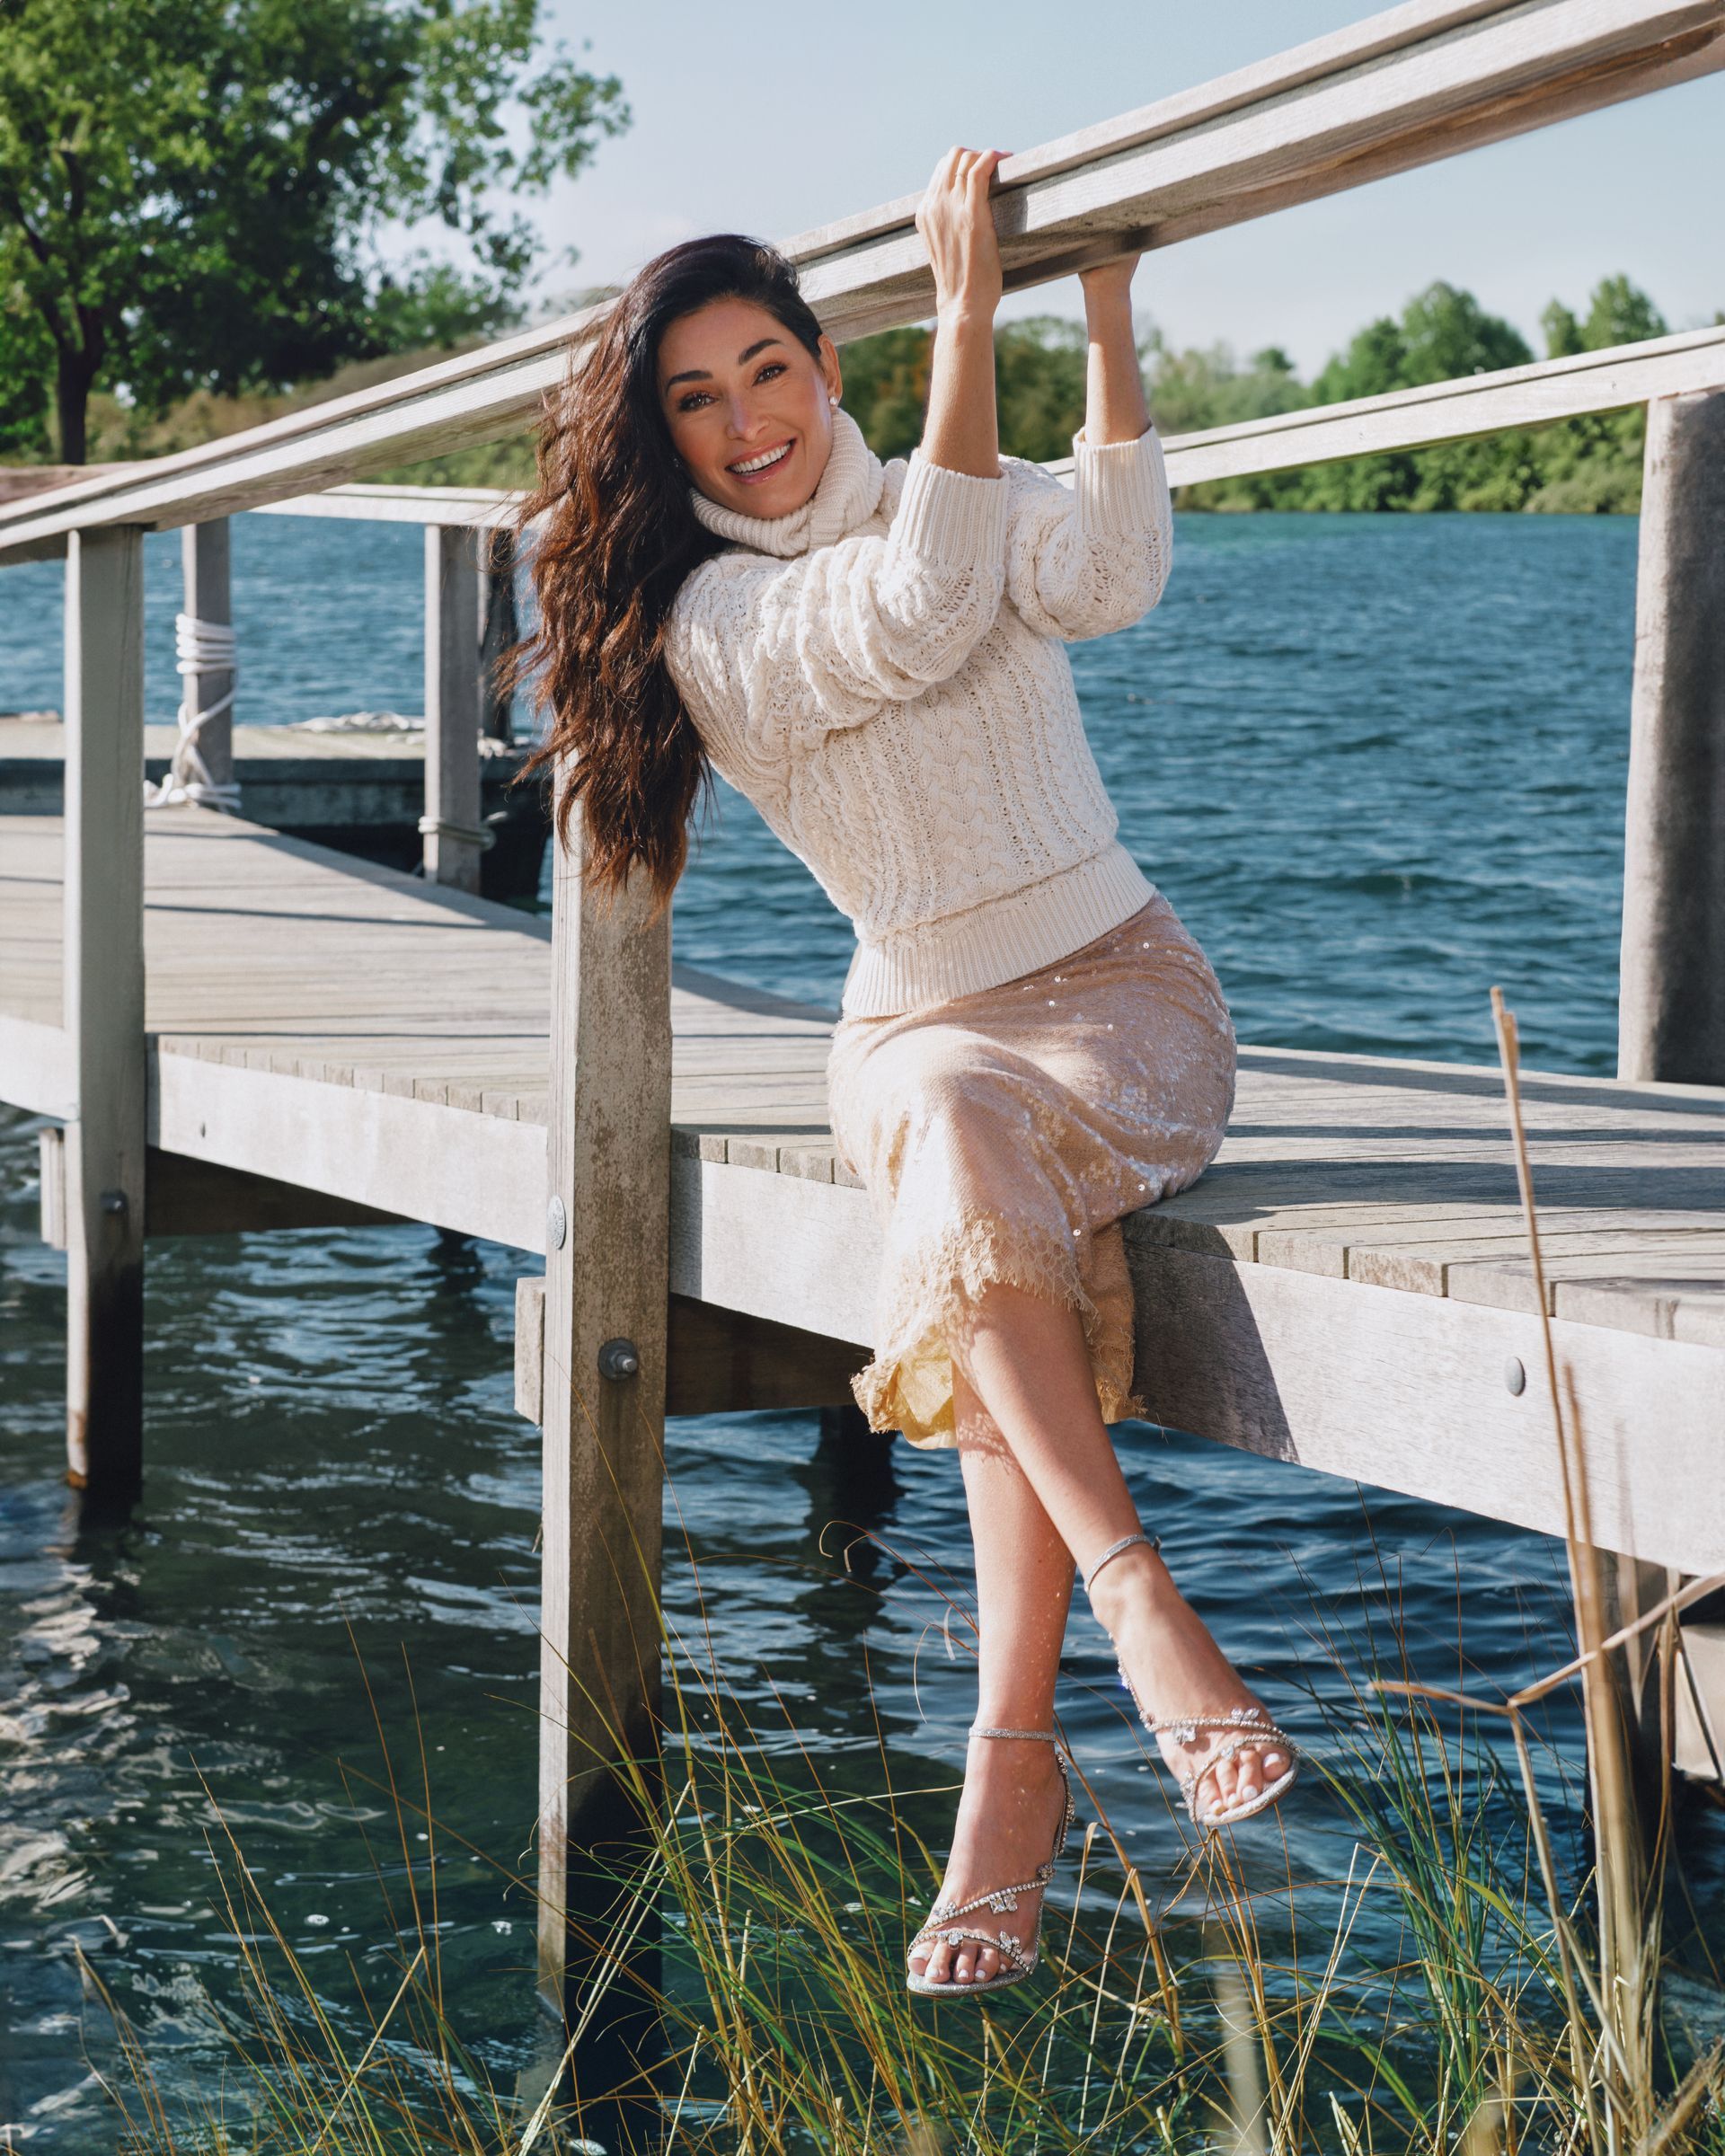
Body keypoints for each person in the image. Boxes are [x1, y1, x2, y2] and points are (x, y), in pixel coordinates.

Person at [518, 146, 1297, 2001]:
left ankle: (1006, 1781)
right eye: (694, 400)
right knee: (957, 1131)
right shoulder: (713, 626)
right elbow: (921, 608)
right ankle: (1143, 1616)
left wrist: (1099, 306)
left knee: (978, 1193)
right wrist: (970, 311)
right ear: (668, 442)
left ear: (823, 367)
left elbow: (1101, 572)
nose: (742, 423)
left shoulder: (952, 488)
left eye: (766, 371)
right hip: (914, 1038)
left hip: (1126, 997)